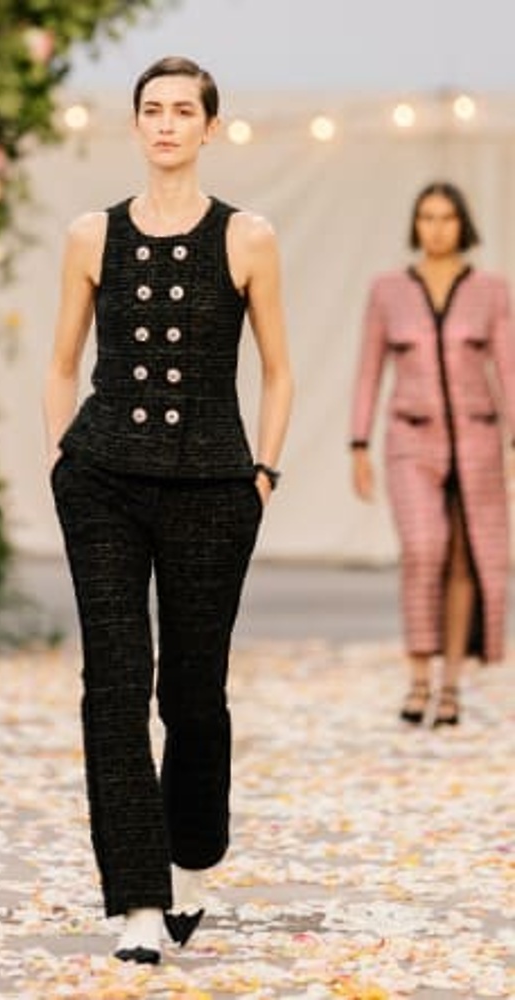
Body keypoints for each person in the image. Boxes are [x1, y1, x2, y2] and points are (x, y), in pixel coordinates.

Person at [44, 56, 293, 964]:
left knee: (191, 690)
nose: (165, 123)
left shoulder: (247, 237)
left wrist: (262, 473)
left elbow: (279, 369)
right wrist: (61, 460)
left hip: (213, 489)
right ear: (135, 123)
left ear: (209, 127)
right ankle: (138, 903)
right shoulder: (91, 235)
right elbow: (61, 362)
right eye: (151, 108)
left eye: (183, 110)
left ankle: (189, 859)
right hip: (102, 482)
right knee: (113, 685)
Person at [350, 181, 515, 727]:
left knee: (466, 557)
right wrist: (358, 443)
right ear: (415, 224)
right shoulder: (388, 290)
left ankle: (451, 685)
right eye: (427, 217)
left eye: (446, 217)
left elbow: (508, 367)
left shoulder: (490, 290)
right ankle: (419, 677)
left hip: (476, 437)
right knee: (423, 549)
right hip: (410, 439)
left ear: (462, 224)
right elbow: (369, 369)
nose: (436, 228)